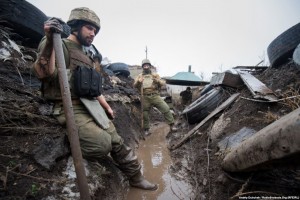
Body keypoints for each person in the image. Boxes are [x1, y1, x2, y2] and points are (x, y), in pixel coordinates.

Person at [32, 7, 157, 191]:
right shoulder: (58, 44)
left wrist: (106, 107)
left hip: (91, 105)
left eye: (95, 31)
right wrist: (50, 40)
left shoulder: (88, 56)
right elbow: (43, 73)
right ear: (76, 26)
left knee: (117, 140)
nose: (93, 34)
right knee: (102, 144)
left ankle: (136, 177)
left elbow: (93, 89)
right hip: (69, 106)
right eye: (89, 28)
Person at [133, 59, 177, 136]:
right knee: (145, 113)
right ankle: (146, 129)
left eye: (147, 65)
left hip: (155, 96)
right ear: (143, 67)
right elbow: (134, 85)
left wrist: (157, 81)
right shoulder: (140, 76)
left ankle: (172, 125)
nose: (146, 67)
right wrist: (138, 82)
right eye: (144, 65)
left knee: (166, 108)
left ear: (150, 66)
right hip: (145, 97)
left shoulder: (155, 75)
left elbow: (162, 83)